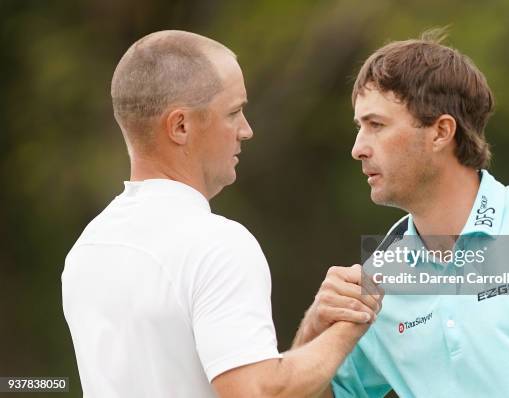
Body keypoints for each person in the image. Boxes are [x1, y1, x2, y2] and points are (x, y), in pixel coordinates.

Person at [61, 30, 382, 398]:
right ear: (180, 126)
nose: (246, 130)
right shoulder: (216, 244)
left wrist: (312, 334)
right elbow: (257, 392)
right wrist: (351, 324)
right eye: (233, 112)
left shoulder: (89, 247)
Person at [294, 29, 509, 397]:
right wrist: (314, 328)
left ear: (441, 132)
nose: (358, 149)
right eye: (359, 127)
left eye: (376, 125)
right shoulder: (379, 278)